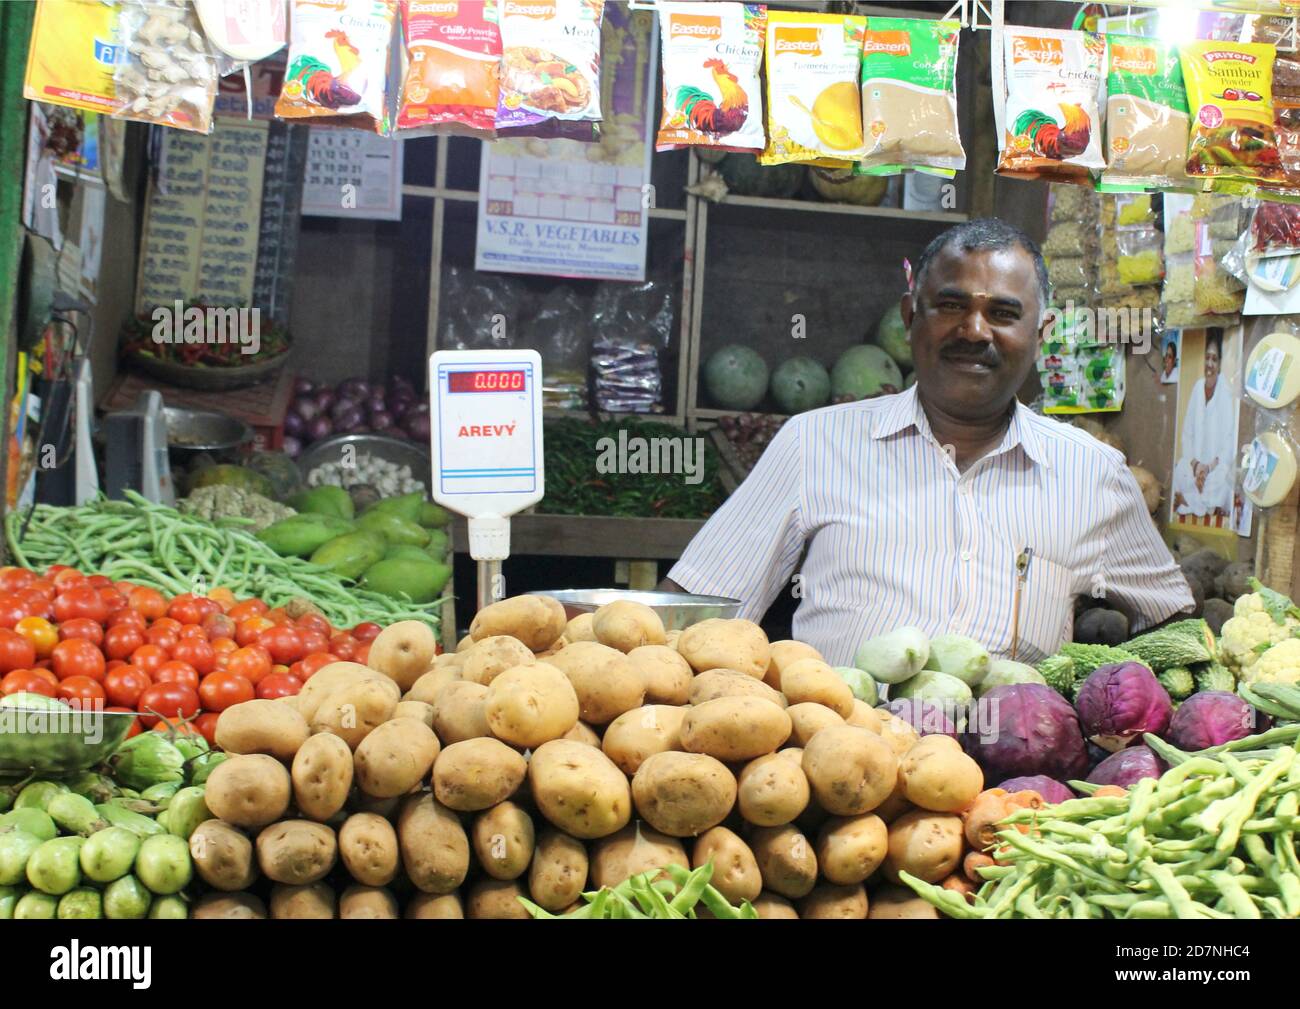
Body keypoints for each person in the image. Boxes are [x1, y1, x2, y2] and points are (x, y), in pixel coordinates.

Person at [662, 218, 1193, 665]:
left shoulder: (1093, 474)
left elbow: (1177, 627)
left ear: (1043, 332)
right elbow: (698, 613)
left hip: (1011, 783)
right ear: (910, 315)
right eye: (951, 305)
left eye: (1004, 314)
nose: (975, 331)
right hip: (841, 761)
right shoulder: (815, 444)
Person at [1171, 331, 1235, 519]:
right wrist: (1196, 465)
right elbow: (1187, 433)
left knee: (1223, 480)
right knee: (1180, 469)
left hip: (1214, 468)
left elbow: (1228, 441)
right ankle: (1203, 504)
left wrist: (1207, 468)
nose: (1209, 364)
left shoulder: (1225, 392)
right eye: (1207, 358)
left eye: (1214, 359)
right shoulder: (1198, 388)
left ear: (1220, 363)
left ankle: (1190, 501)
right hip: (1195, 466)